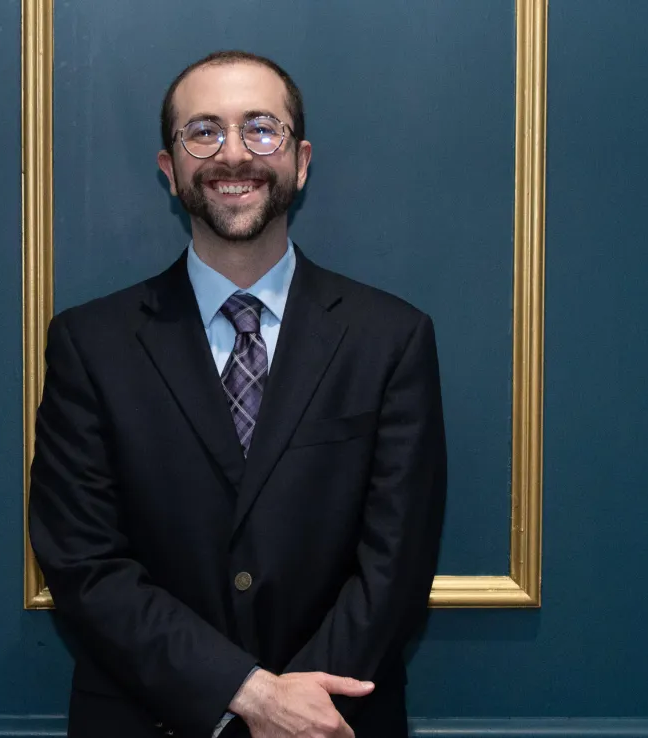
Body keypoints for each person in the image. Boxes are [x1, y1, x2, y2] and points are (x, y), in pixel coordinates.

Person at [29, 50, 447, 738]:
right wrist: (249, 694)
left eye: (261, 129)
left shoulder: (391, 338)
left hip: (334, 719)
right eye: (204, 131)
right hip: (146, 717)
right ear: (170, 170)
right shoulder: (89, 344)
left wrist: (301, 708)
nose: (233, 155)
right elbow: (84, 561)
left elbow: (397, 559)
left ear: (301, 161)